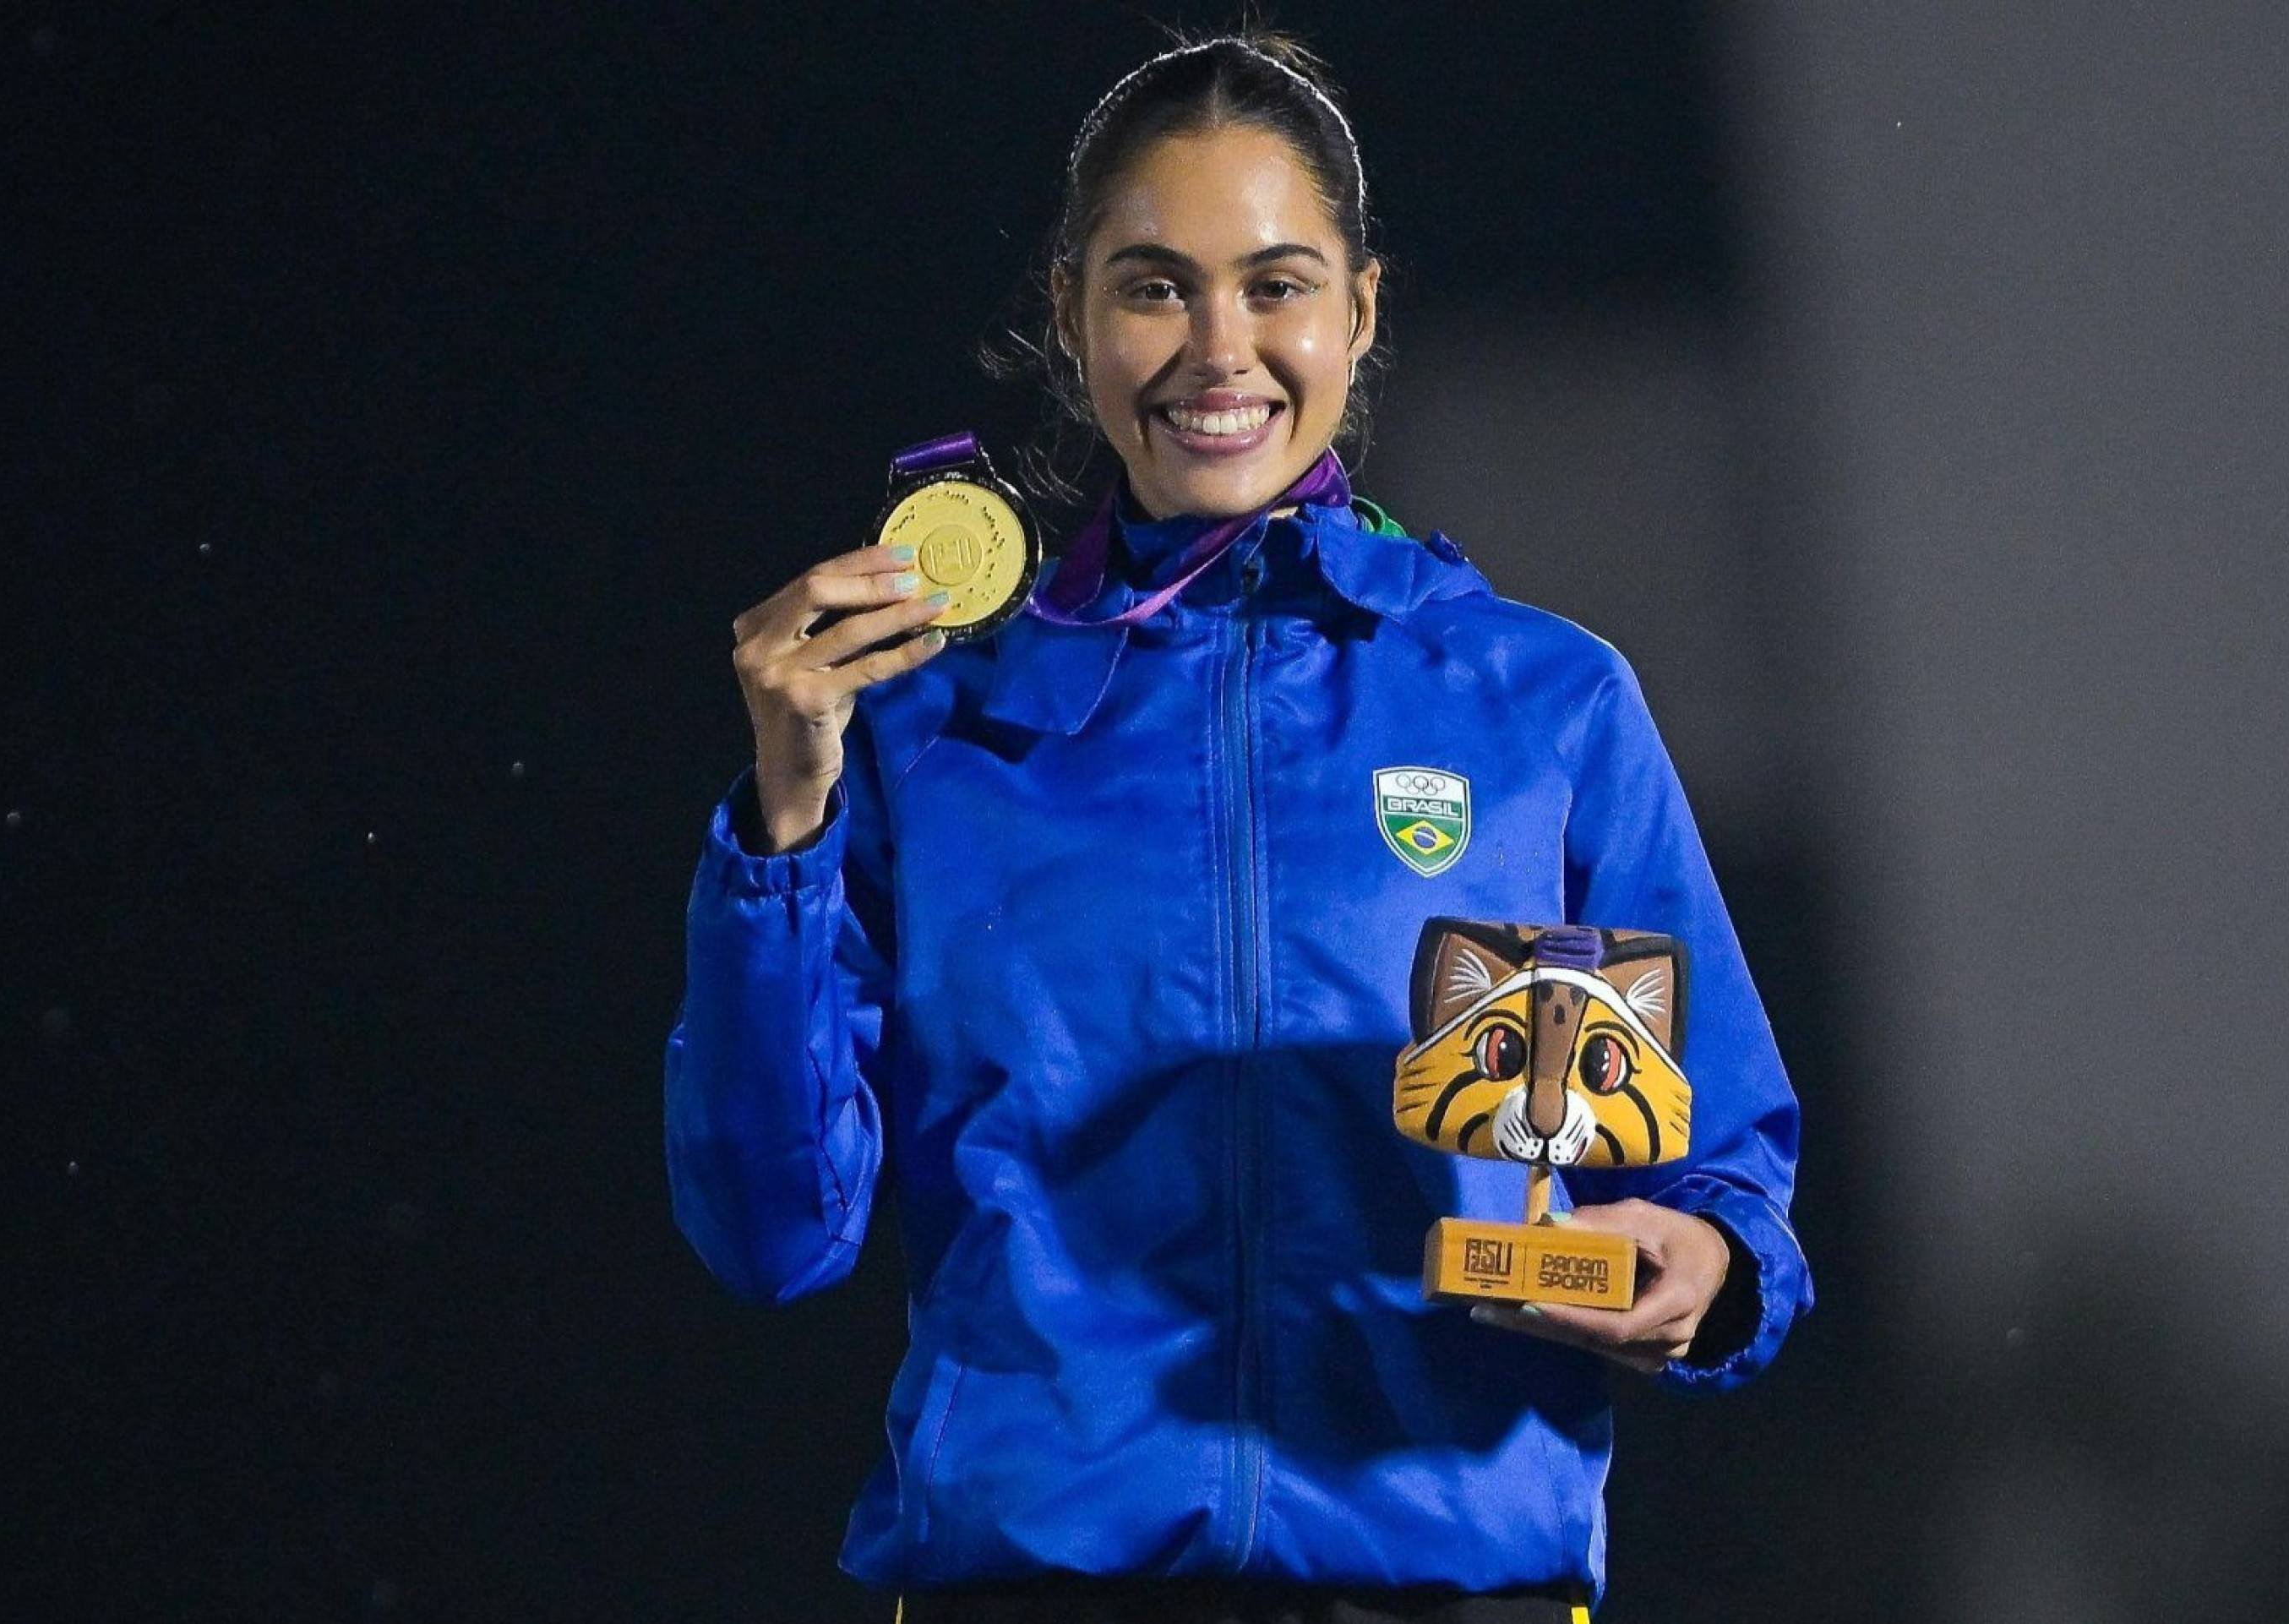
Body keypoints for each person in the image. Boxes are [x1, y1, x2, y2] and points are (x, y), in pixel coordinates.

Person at [667, 32, 1811, 1624]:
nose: (1221, 348)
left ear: (1360, 309)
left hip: (1442, 1591)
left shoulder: (1540, 706)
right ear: (1069, 315)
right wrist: (787, 819)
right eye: (1154, 287)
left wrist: (1701, 1272)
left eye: (1276, 284)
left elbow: (1728, 1176)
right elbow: (773, 1233)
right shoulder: (929, 732)